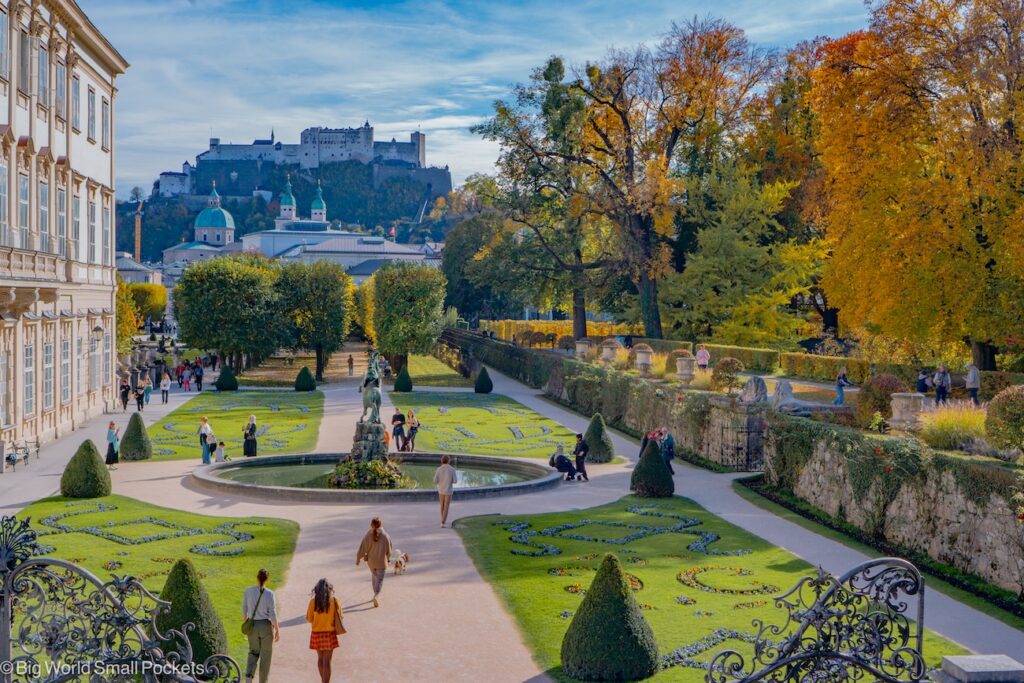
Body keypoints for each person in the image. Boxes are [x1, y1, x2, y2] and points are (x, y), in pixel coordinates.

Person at [242, 568, 279, 683]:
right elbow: (272, 614)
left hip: (252, 626)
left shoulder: (248, 591)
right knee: (265, 657)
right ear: (267, 579)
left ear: (256, 577)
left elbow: (244, 610)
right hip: (266, 626)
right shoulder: (270, 594)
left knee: (253, 652)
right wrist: (277, 629)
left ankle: (248, 679)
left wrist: (247, 623)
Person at [307, 578, 342, 683]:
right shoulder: (334, 601)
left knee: (320, 659)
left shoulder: (313, 602)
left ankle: (323, 680)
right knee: (327, 661)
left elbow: (309, 618)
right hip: (329, 634)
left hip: (316, 634)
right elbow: (340, 616)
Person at [356, 517, 393, 608]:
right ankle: (376, 595)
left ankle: (375, 594)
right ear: (381, 524)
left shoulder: (368, 535)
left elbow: (362, 547)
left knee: (374, 577)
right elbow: (389, 549)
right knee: (379, 580)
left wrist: (358, 559)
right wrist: (388, 559)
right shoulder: (385, 535)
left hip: (371, 563)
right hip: (381, 563)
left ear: (371, 525)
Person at [433, 455, 458, 527]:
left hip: (441, 489)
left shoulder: (438, 469)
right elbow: (455, 481)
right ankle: (443, 522)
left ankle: (442, 520)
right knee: (446, 506)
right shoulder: (452, 469)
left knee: (442, 505)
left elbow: (435, 480)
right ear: (449, 461)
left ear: (442, 460)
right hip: (448, 490)